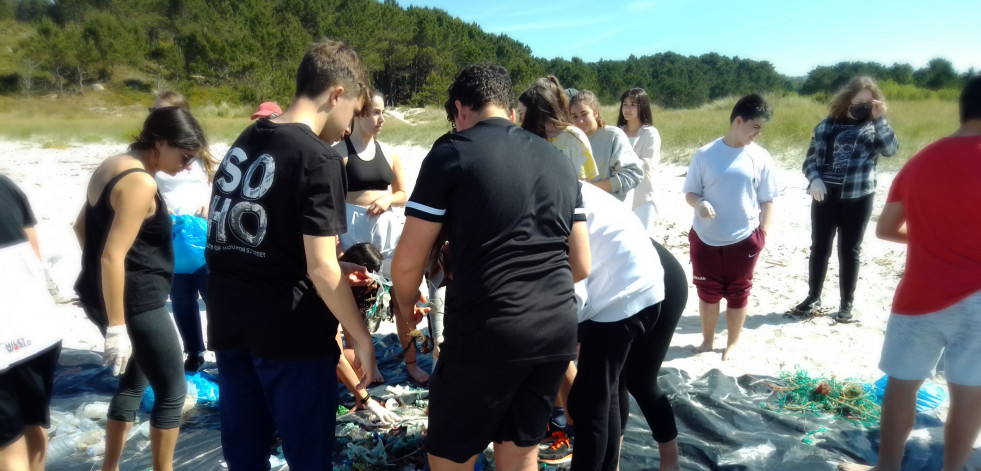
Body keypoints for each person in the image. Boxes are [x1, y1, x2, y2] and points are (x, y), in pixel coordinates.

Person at [391, 63, 590, 471]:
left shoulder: (452, 151)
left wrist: (406, 308)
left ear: (461, 110)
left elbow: (407, 262)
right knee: (519, 456)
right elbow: (582, 263)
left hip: (487, 330)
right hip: (555, 331)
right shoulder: (559, 161)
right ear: (512, 112)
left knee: (450, 456)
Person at [204, 39, 377, 470]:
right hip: (290, 337)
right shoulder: (319, 158)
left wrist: (339, 266)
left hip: (229, 325)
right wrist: (360, 337)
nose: (348, 128)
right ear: (337, 94)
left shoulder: (247, 139)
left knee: (245, 454)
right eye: (353, 112)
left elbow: (247, 239)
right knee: (308, 456)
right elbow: (320, 269)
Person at [838, 75, 981, 471]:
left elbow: (886, 229)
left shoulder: (921, 161)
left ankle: (887, 467)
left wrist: (935, 235)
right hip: (978, 300)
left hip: (920, 295)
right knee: (969, 391)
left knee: (902, 385)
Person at [73, 107, 207, 471]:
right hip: (138, 302)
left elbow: (81, 226)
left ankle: (110, 467)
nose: (187, 166)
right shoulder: (140, 182)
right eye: (185, 156)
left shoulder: (112, 164)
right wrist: (117, 327)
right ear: (159, 142)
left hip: (108, 296)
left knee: (134, 381)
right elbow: (112, 257)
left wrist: (99, 284)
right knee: (172, 390)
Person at [563, 183, 687, 471]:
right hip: (616, 277)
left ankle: (671, 462)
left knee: (639, 382)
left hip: (656, 279)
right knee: (609, 384)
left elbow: (573, 294)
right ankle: (612, 463)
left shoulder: (548, 192)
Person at [332, 90, 428, 384]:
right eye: (374, 112)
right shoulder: (339, 153)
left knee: (404, 302)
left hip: (387, 233)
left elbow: (402, 193)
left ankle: (411, 362)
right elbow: (330, 202)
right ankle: (366, 366)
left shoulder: (390, 152)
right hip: (352, 232)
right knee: (354, 304)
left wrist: (388, 200)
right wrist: (335, 246)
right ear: (358, 113)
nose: (381, 119)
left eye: (383, 112)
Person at [683, 94, 778, 361]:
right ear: (739, 120)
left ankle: (732, 344)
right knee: (707, 292)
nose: (758, 134)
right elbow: (690, 191)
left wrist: (762, 234)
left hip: (744, 239)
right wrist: (699, 203)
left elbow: (767, 199)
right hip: (705, 238)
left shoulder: (760, 157)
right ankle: (707, 340)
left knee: (739, 293)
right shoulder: (705, 154)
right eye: (756, 127)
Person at [796, 76, 899, 322]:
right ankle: (813, 296)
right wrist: (814, 179)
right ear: (847, 100)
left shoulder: (874, 127)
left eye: (868, 102)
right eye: (858, 101)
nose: (862, 106)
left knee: (849, 250)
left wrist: (880, 118)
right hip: (824, 195)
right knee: (819, 247)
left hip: (858, 196)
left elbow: (890, 150)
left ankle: (846, 304)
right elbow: (810, 160)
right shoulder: (825, 126)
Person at [0, 175, 62, 471]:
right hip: (40, 327)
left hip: (5, 337)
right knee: (33, 424)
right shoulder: (6, 185)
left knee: (7, 447)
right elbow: (35, 257)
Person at [150, 91, 215, 372]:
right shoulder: (153, 154)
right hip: (171, 236)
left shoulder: (199, 152)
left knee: (213, 295)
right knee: (181, 299)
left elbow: (215, 180)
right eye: (154, 111)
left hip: (202, 235)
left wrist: (209, 204)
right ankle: (193, 351)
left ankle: (222, 348)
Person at [569, 90, 643, 205]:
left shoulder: (613, 136)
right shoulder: (571, 141)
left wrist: (589, 189)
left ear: (596, 113)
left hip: (612, 210)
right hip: (582, 211)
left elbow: (633, 175)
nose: (580, 121)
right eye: (574, 116)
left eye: (584, 114)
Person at [518, 76, 599, 180]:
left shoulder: (573, 137)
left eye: (521, 113)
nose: (519, 119)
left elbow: (583, 184)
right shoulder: (526, 138)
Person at [617, 87, 662, 234]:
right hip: (619, 194)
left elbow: (649, 163)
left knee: (642, 239)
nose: (627, 109)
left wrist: (622, 162)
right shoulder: (617, 132)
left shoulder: (650, 133)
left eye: (633, 105)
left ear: (642, 107)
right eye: (625, 104)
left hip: (642, 196)